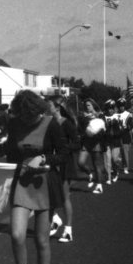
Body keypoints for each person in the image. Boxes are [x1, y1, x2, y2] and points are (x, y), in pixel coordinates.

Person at [5, 90, 68, 264]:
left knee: (41, 239)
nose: (25, 120)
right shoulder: (14, 124)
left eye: (28, 116)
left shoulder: (51, 124)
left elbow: (64, 153)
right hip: (22, 183)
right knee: (16, 234)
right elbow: (11, 153)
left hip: (44, 185)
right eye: (21, 116)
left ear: (36, 111)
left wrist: (43, 158)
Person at [46, 96, 80, 243]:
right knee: (49, 195)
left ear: (57, 108)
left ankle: (68, 230)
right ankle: (55, 220)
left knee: (65, 196)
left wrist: (63, 149)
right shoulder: (47, 124)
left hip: (64, 164)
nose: (46, 109)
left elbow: (77, 143)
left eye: (49, 106)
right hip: (52, 164)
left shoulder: (66, 124)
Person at [77, 98, 106, 194]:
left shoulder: (100, 115)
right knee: (80, 162)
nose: (87, 107)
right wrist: (84, 120)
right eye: (86, 105)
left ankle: (99, 185)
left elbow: (103, 128)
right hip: (86, 142)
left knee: (97, 164)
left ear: (93, 105)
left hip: (96, 142)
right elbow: (81, 128)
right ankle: (89, 173)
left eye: (89, 105)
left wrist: (96, 132)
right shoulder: (83, 116)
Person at [103, 100, 123, 185]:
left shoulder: (118, 117)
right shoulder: (103, 117)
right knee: (107, 159)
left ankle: (116, 172)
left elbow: (122, 130)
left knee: (115, 159)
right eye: (108, 109)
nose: (109, 110)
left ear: (114, 109)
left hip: (115, 141)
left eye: (111, 108)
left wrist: (115, 127)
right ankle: (108, 177)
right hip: (106, 141)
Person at [116, 98, 133, 174]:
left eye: (123, 106)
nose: (121, 107)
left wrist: (127, 127)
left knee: (124, 152)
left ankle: (125, 167)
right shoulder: (115, 114)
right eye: (120, 106)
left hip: (125, 135)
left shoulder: (128, 114)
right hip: (116, 135)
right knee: (116, 153)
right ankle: (115, 167)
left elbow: (131, 126)